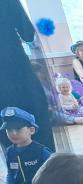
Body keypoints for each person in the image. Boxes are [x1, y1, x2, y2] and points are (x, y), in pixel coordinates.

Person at [1, 0, 54, 150]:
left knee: (5, 117)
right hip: (15, 66)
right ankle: (44, 159)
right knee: (34, 111)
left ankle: (15, 161)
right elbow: (28, 34)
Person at [3, 107, 52, 184]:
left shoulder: (41, 151)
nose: (13, 133)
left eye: (18, 129)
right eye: (9, 130)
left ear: (31, 130)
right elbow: (11, 173)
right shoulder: (10, 152)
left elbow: (55, 169)